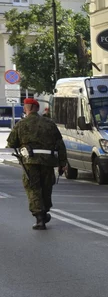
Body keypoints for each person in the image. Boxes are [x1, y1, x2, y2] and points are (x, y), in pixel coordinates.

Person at [7, 97, 68, 230]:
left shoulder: (21, 124)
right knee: (46, 187)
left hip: (30, 162)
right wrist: (63, 162)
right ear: (37, 108)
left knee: (33, 188)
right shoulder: (49, 123)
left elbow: (11, 142)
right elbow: (60, 144)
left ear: (25, 109)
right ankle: (44, 211)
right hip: (48, 161)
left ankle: (40, 218)